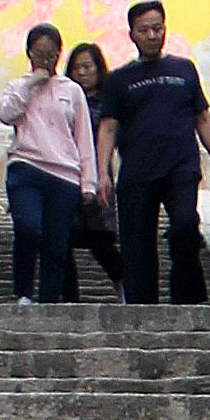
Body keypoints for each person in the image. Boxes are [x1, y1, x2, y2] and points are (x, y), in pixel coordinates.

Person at [95, 0, 210, 303]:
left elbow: (203, 118)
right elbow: (109, 127)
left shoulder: (184, 70)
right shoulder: (119, 80)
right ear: (132, 35)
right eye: (145, 30)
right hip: (137, 172)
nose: (153, 35)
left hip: (181, 168)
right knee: (137, 244)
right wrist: (102, 174)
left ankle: (187, 299)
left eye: (158, 28)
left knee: (185, 226)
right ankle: (143, 308)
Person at [0, 20, 100, 304]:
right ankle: (23, 292)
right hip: (25, 166)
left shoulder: (72, 91)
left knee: (56, 244)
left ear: (59, 54)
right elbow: (5, 114)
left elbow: (83, 138)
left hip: (64, 174)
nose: (45, 60)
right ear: (29, 53)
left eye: (51, 55)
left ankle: (49, 301)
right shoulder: (18, 87)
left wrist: (89, 183)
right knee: (28, 227)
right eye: (39, 54)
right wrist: (31, 83)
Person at [60, 42, 128, 293]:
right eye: (76, 67)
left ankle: (122, 284)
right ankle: (69, 298)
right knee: (62, 237)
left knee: (100, 238)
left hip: (98, 174)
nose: (82, 72)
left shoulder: (109, 102)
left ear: (99, 69)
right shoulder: (64, 99)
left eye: (87, 66)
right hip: (66, 172)